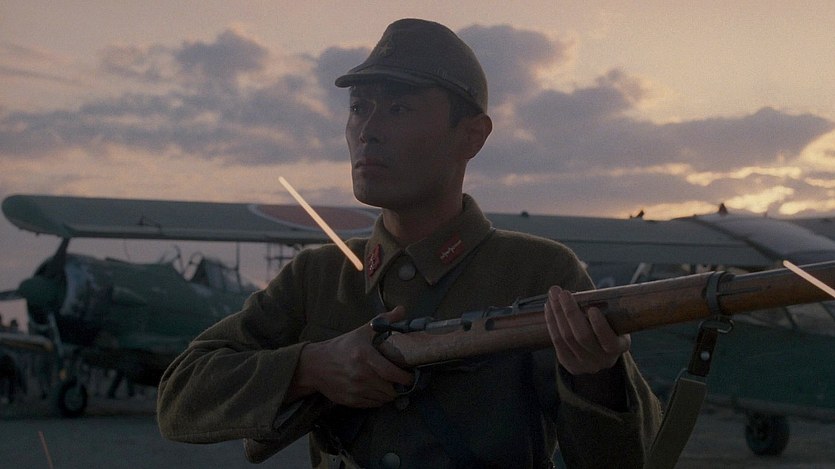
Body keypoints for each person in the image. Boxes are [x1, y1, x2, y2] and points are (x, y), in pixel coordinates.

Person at [157, 18, 661, 468]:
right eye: (359, 108)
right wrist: (312, 367)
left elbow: (628, 457)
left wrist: (597, 378)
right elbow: (181, 398)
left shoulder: (539, 272)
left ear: (472, 136)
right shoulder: (318, 276)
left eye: (398, 108)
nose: (368, 131)